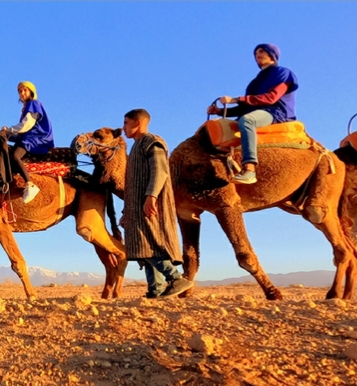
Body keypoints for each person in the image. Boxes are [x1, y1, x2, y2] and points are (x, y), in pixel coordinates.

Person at [120, 108, 193, 299]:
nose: (123, 128)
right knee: (143, 245)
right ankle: (156, 289)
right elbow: (132, 184)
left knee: (149, 243)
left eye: (126, 123)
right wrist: (125, 212)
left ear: (137, 123)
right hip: (137, 207)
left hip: (151, 204)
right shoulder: (136, 147)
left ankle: (176, 278)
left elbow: (160, 171)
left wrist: (151, 196)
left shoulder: (152, 142)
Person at [207, 43, 299, 185]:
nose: (258, 54)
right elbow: (245, 107)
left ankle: (250, 169)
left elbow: (271, 98)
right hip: (256, 112)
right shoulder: (254, 83)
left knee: (247, 121)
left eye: (262, 51)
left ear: (272, 55)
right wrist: (219, 111)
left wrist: (236, 99)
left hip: (275, 112)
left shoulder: (283, 72)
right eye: (256, 53)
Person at [0, 81, 54, 204]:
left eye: (25, 90)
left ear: (31, 92)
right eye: (20, 91)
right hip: (28, 137)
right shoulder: (26, 108)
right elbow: (22, 132)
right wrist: (7, 135)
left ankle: (30, 185)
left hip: (37, 138)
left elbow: (27, 125)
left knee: (15, 156)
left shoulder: (34, 104)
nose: (22, 93)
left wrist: (9, 130)